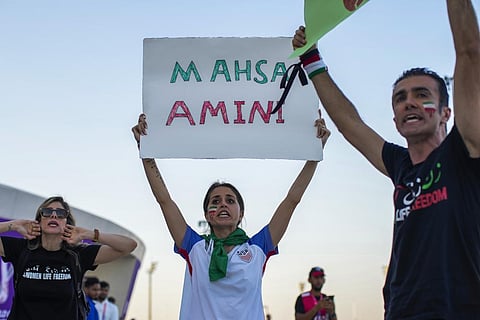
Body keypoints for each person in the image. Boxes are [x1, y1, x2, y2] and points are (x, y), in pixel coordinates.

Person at [292, 0, 480, 319]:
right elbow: (350, 124)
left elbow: (470, 52)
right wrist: (311, 59)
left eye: (422, 95)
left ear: (447, 113)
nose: (409, 103)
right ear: (394, 120)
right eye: (400, 98)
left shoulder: (466, 153)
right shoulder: (400, 164)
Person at [132, 112, 330, 320]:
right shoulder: (195, 248)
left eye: (230, 200)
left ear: (240, 213)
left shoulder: (259, 247)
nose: (223, 204)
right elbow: (165, 200)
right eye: (215, 202)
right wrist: (146, 152)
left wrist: (314, 155)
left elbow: (291, 201)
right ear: (207, 215)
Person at [0, 196, 137, 320]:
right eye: (47, 212)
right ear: (39, 220)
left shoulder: (78, 254)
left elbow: (129, 246)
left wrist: (89, 234)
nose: (53, 215)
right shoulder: (21, 249)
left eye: (60, 213)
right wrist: (13, 225)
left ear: (67, 223)